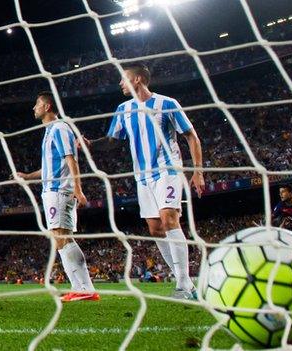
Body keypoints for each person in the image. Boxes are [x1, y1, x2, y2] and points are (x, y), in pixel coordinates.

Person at [85, 63, 205, 300]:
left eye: (124, 78)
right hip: (142, 176)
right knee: (155, 228)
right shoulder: (123, 109)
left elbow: (191, 136)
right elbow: (112, 139)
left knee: (169, 218)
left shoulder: (167, 104)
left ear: (138, 79)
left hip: (167, 170)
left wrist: (198, 171)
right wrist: (92, 144)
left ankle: (182, 285)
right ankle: (187, 284)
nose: (120, 83)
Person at [16, 91, 100, 302]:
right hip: (52, 190)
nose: (33, 108)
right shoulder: (50, 131)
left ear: (47, 106)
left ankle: (84, 288)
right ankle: (81, 287)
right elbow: (49, 168)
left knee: (61, 237)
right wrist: (27, 176)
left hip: (60, 191)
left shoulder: (60, 128)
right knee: (61, 238)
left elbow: (72, 160)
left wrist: (78, 189)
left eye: (37, 104)